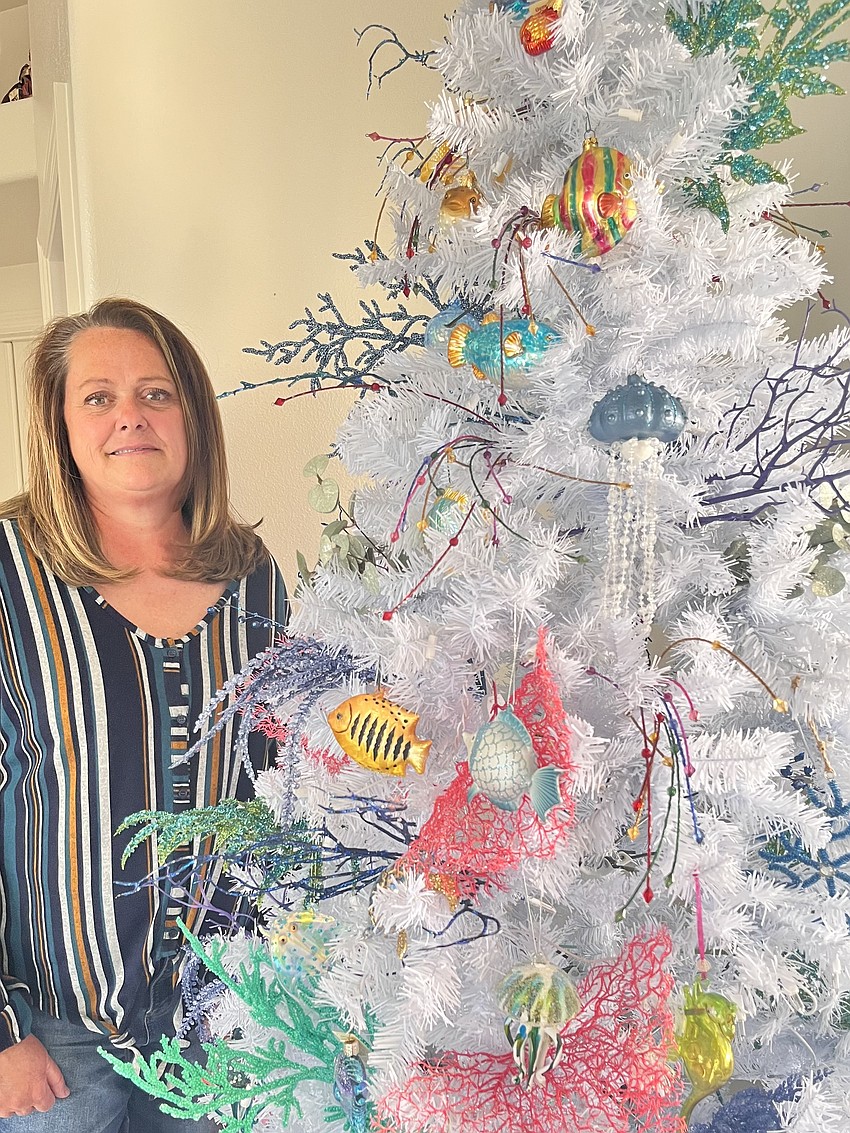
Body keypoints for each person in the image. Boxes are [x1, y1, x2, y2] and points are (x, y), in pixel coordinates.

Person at [0, 299, 288, 1129]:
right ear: (61, 426)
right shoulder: (10, 568)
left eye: (156, 393)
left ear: (193, 417)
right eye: (98, 397)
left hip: (224, 1020)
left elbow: (278, 788)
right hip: (52, 1036)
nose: (130, 414)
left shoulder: (249, 574)